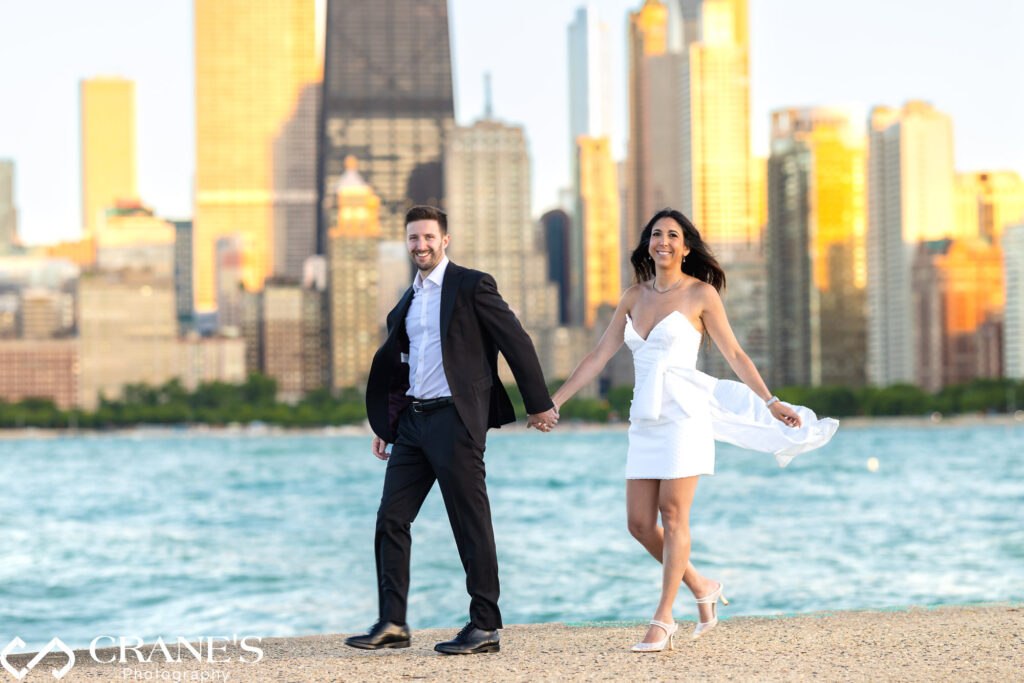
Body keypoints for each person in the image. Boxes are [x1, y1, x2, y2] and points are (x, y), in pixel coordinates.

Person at [551, 208, 838, 653]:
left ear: (686, 247)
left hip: (685, 415)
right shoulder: (632, 297)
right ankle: (703, 585)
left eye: (673, 235)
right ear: (648, 243)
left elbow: (736, 354)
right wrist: (556, 402)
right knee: (639, 524)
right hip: (644, 420)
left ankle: (663, 619)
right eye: (656, 234)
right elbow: (598, 356)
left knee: (672, 512)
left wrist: (770, 401)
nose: (663, 241)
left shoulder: (701, 294)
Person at [346, 205, 559, 656]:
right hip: (412, 424)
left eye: (428, 237)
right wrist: (387, 424)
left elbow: (514, 339)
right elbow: (402, 368)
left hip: (456, 420)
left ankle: (484, 626)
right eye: (413, 239)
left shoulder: (471, 284)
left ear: (445, 240)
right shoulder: (407, 299)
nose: (420, 245)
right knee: (391, 518)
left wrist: (537, 404)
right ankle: (392, 623)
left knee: (469, 522)